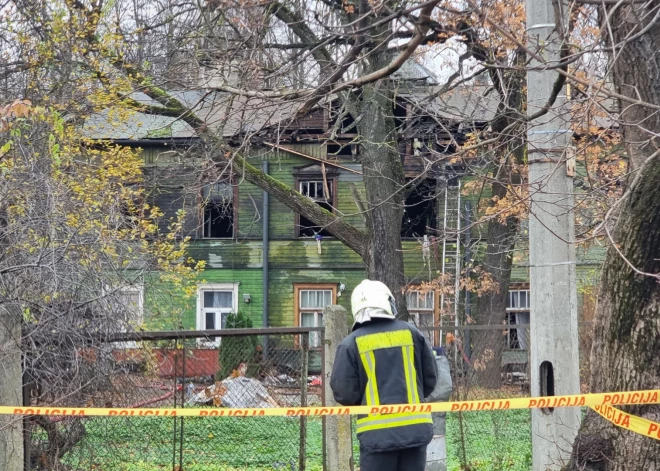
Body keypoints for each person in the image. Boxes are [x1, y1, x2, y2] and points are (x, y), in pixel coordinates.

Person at [330, 279, 438, 471]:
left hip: (376, 436)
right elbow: (430, 379)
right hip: (415, 432)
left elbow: (344, 393)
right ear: (388, 303)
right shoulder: (412, 333)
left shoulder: (350, 343)